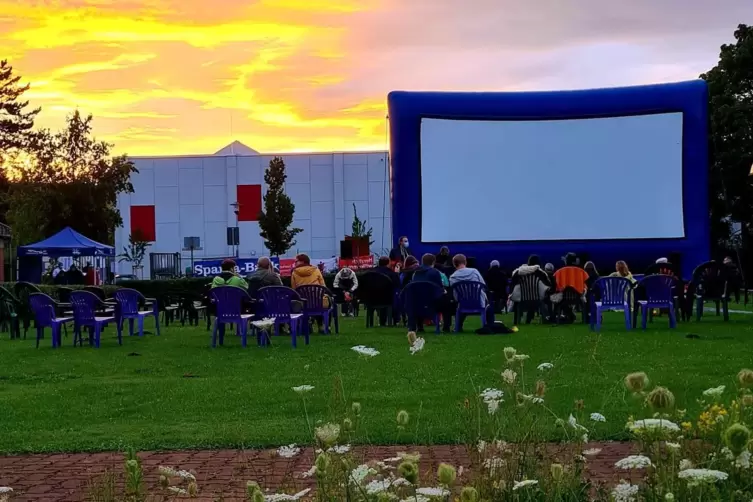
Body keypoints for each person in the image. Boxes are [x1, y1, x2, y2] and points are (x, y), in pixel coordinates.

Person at [450, 254, 494, 330]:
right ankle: (490, 326)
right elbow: (483, 285)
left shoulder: (452, 277)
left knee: (460, 305)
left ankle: (458, 327)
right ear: (465, 262)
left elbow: (455, 295)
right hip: (479, 302)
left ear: (454, 264)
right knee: (489, 306)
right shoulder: (474, 271)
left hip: (463, 303)